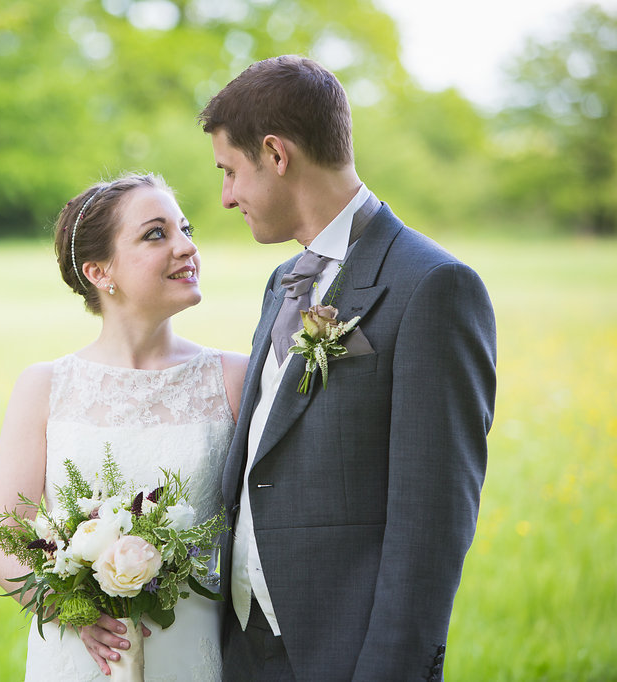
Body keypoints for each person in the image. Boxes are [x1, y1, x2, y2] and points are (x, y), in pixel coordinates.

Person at [197, 56, 497, 681]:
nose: (226, 198)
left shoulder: (433, 286)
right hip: (244, 650)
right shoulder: (284, 281)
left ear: (276, 154)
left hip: (346, 655)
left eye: (230, 172)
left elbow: (432, 524)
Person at [0, 172, 249, 680]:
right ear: (101, 271)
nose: (186, 247)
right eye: (156, 234)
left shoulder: (232, 378)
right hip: (79, 653)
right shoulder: (45, 385)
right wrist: (68, 608)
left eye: (185, 229)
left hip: (193, 649)